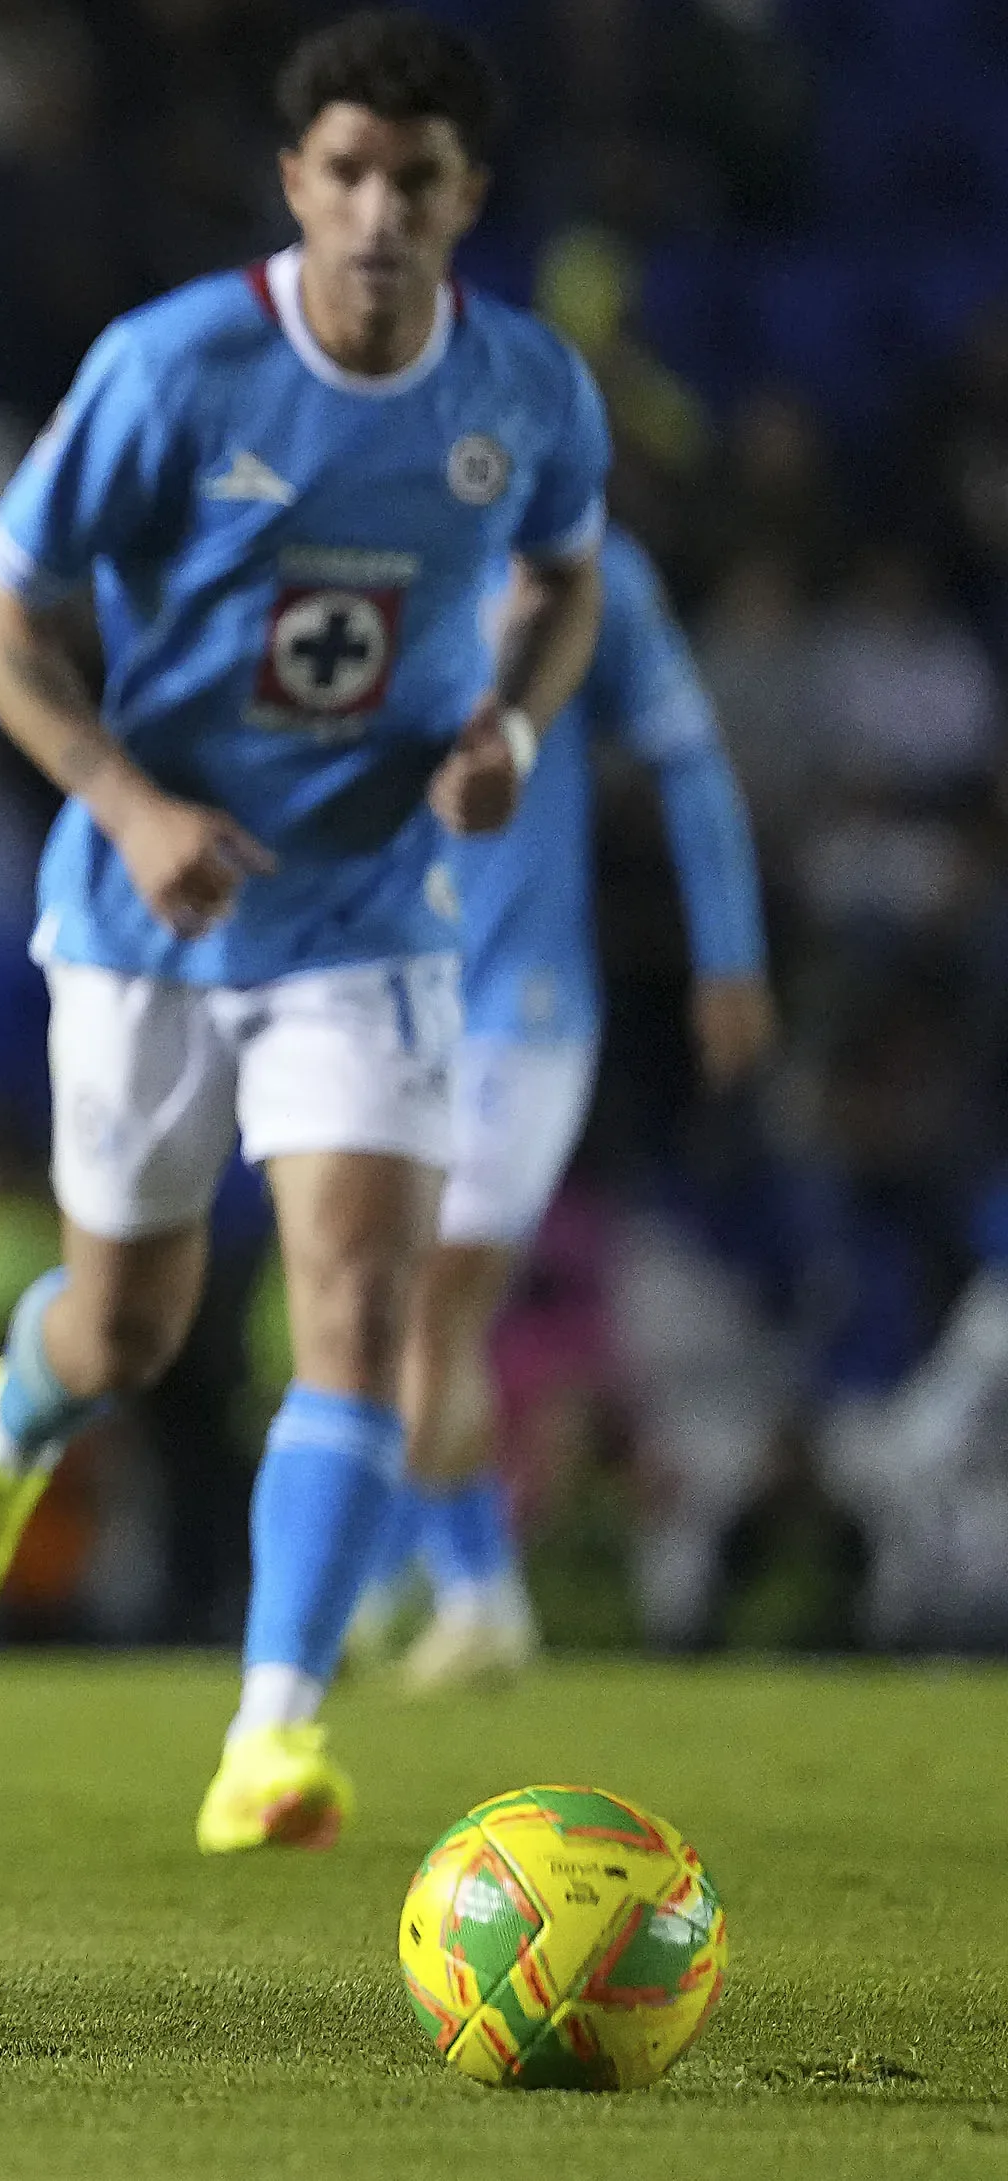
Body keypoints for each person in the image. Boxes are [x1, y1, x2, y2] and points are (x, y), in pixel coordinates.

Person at [0, 9, 608, 1853]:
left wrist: (509, 730)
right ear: (295, 182)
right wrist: (124, 799)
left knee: (359, 1302)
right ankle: (10, 1419)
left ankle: (271, 1734)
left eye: (416, 181)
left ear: (468, 200)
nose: (378, 211)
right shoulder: (176, 369)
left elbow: (564, 577)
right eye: (347, 173)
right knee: (127, 1324)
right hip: (145, 918)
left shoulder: (523, 392)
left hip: (368, 919)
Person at [356, 531, 769, 1687]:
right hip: (379, 991)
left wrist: (726, 956)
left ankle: (459, 1590)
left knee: (433, 1298)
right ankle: (418, 1582)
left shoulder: (584, 575)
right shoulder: (363, 537)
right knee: (386, 1306)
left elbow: (685, 758)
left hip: (521, 1009)